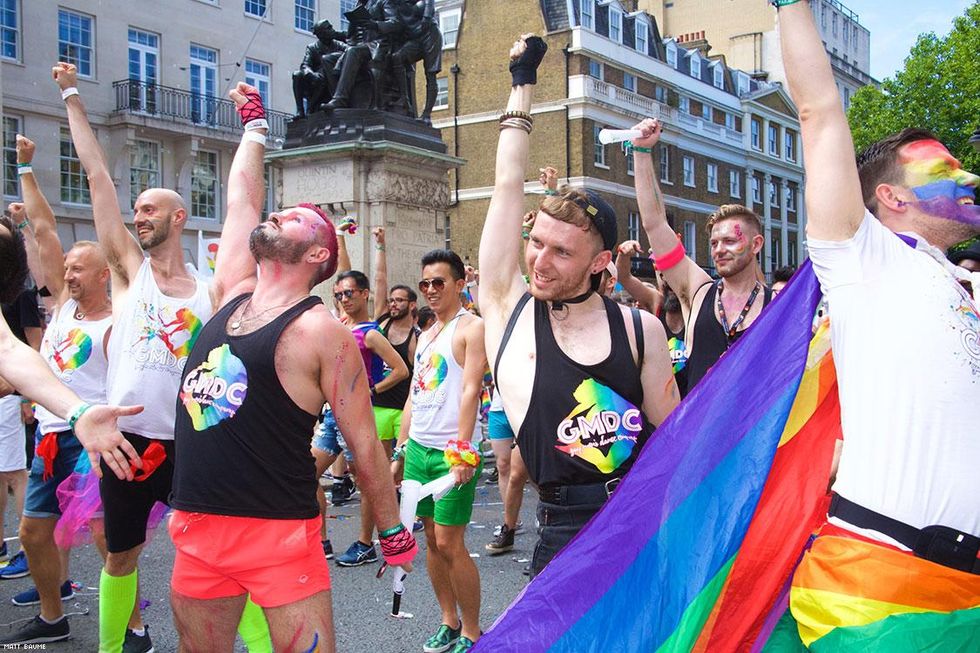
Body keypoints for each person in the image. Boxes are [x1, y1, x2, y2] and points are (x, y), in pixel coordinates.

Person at [168, 81, 415, 653]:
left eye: (297, 218)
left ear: (318, 255)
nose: (278, 213)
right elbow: (242, 201)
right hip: (198, 523)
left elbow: (362, 443)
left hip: (278, 532)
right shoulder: (231, 291)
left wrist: (391, 530)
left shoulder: (321, 333)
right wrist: (253, 128)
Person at [777, 3, 979, 648]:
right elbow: (819, 112)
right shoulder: (865, 257)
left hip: (966, 596)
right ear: (890, 197)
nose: (969, 175)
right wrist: (790, 6)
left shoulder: (964, 285)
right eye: (944, 170)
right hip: (879, 589)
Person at [478, 35, 678, 581]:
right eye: (536, 242)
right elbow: (506, 186)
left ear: (601, 263)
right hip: (563, 531)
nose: (539, 261)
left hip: (642, 523)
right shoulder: (509, 312)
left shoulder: (641, 332)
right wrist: (521, 84)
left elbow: (676, 442)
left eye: (561, 251)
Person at [390, 249, 486, 653]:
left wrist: (462, 451)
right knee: (429, 540)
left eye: (438, 283)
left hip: (452, 452)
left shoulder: (471, 328)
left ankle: (474, 630)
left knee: (450, 542)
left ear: (460, 284)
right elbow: (415, 394)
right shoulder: (425, 335)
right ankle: (449, 620)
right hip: (418, 450)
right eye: (424, 283)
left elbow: (470, 390)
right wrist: (400, 448)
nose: (430, 290)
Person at [633, 119, 772, 391]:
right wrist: (641, 152)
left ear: (756, 244)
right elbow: (655, 224)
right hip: (698, 431)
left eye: (730, 241)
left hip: (755, 431)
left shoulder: (777, 305)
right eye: (714, 242)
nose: (719, 249)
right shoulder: (697, 292)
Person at [331, 268, 409, 567]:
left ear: (364, 294)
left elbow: (401, 369)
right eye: (338, 295)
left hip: (361, 413)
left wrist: (371, 389)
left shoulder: (371, 333)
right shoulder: (338, 325)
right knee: (308, 473)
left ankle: (366, 543)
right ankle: (317, 540)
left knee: (367, 480)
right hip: (331, 415)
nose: (342, 299)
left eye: (348, 293)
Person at [0, 285, 39, 573]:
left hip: (11, 393)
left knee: (13, 472)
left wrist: (28, 396)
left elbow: (34, 344)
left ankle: (28, 552)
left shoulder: (21, 292)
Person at [292, 19, 348, 117]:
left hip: (332, 77)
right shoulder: (312, 47)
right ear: (321, 34)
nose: (332, 29)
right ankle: (300, 110)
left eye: (331, 27)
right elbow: (305, 65)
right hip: (315, 78)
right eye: (328, 28)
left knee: (323, 78)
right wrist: (310, 73)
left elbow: (348, 51)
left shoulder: (338, 44)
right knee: (297, 75)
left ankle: (310, 108)